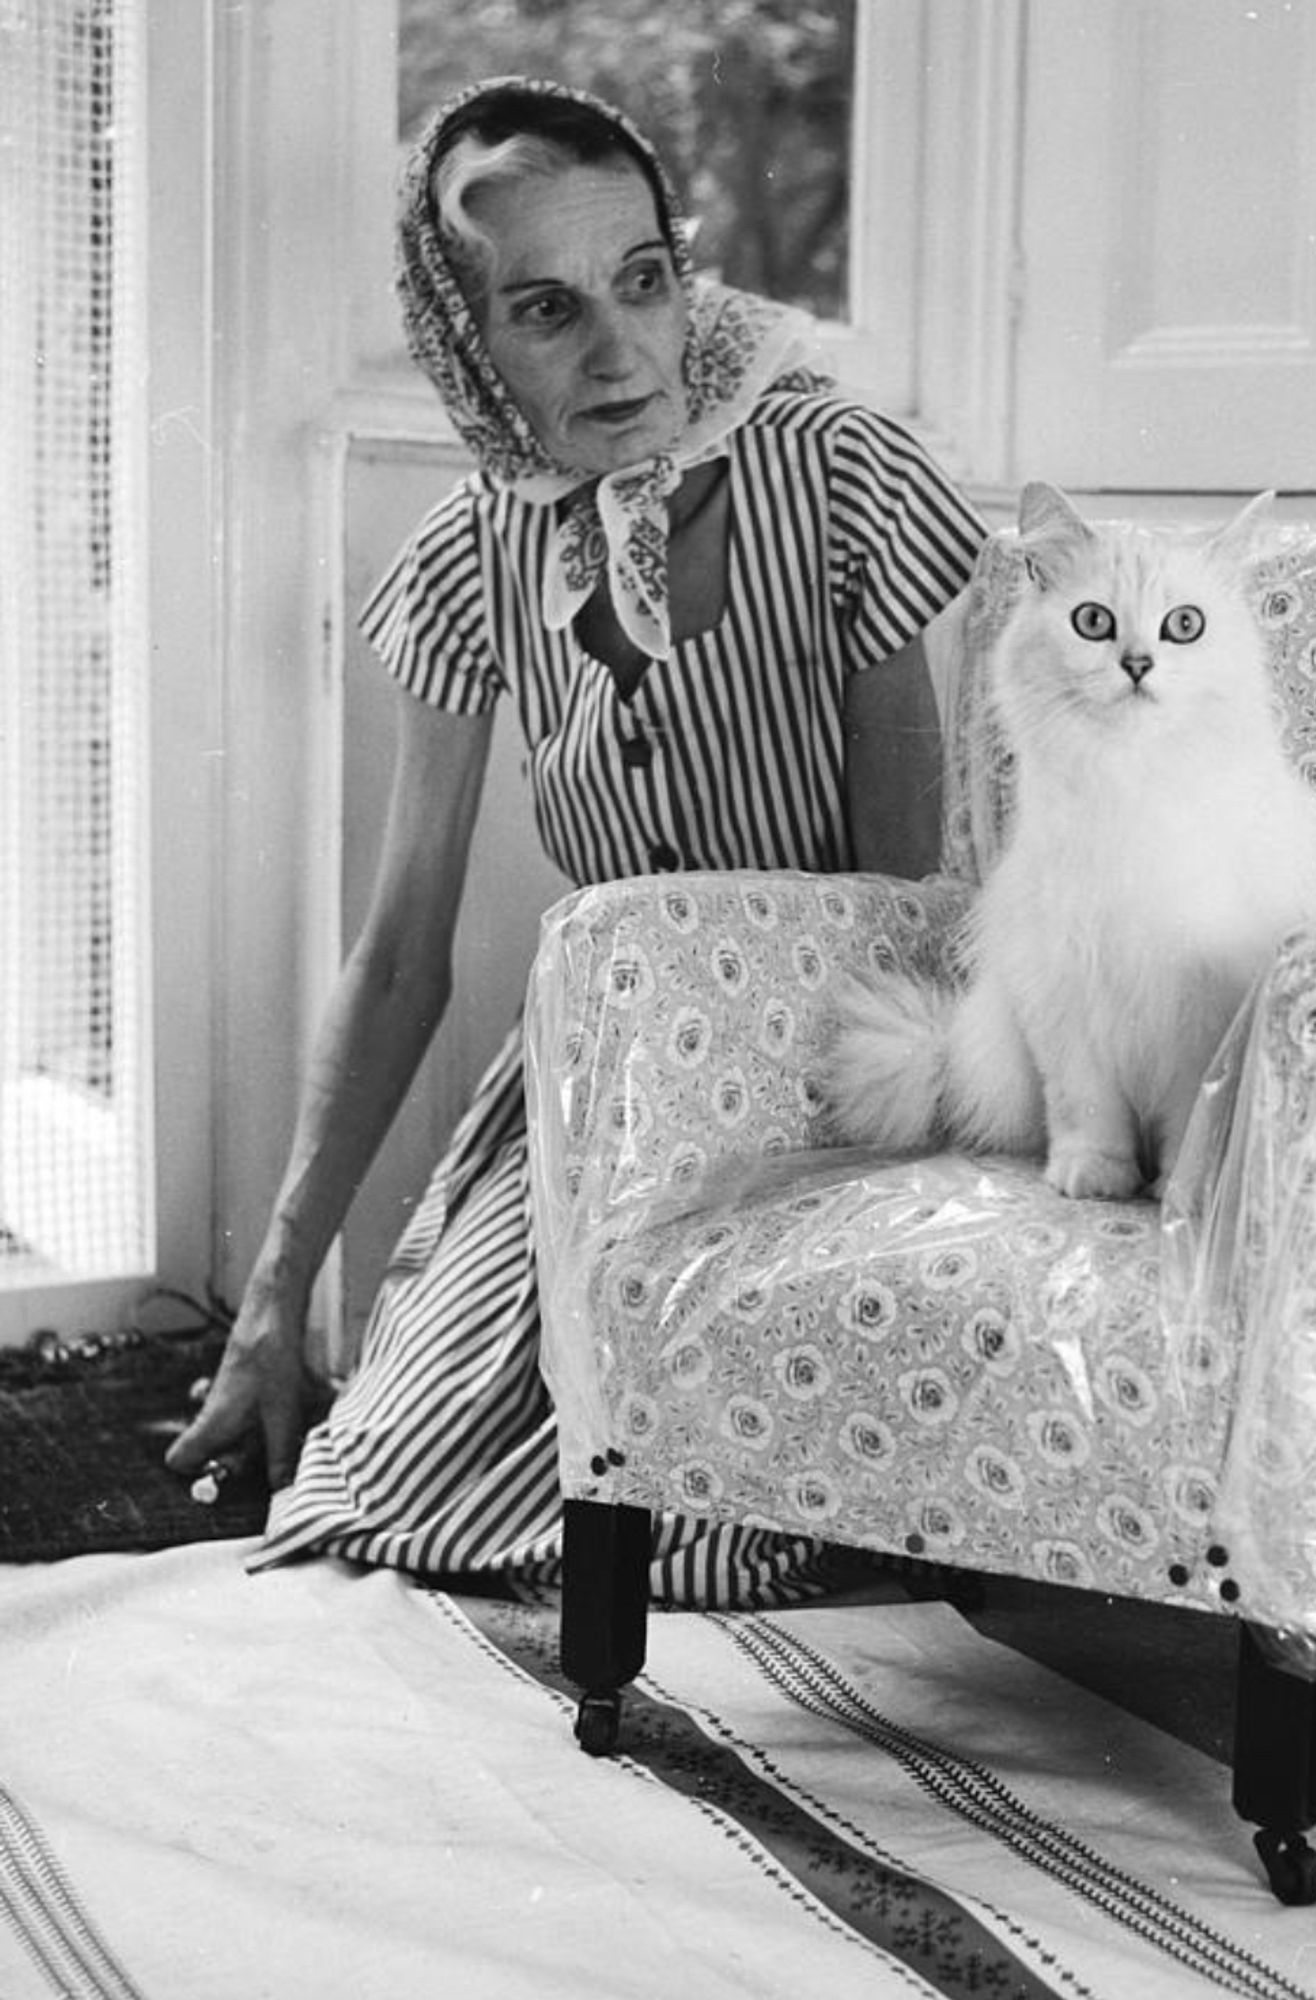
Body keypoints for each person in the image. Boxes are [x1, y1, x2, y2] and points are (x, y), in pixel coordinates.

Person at [166, 77, 988, 1604]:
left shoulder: (840, 480)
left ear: (685, 279)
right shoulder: (470, 553)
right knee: (396, 1491)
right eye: (545, 310)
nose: (619, 352)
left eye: (642, 281)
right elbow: (400, 951)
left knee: (722, 1514)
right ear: (465, 348)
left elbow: (910, 911)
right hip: (595, 1083)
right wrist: (273, 1299)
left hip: (840, 1072)